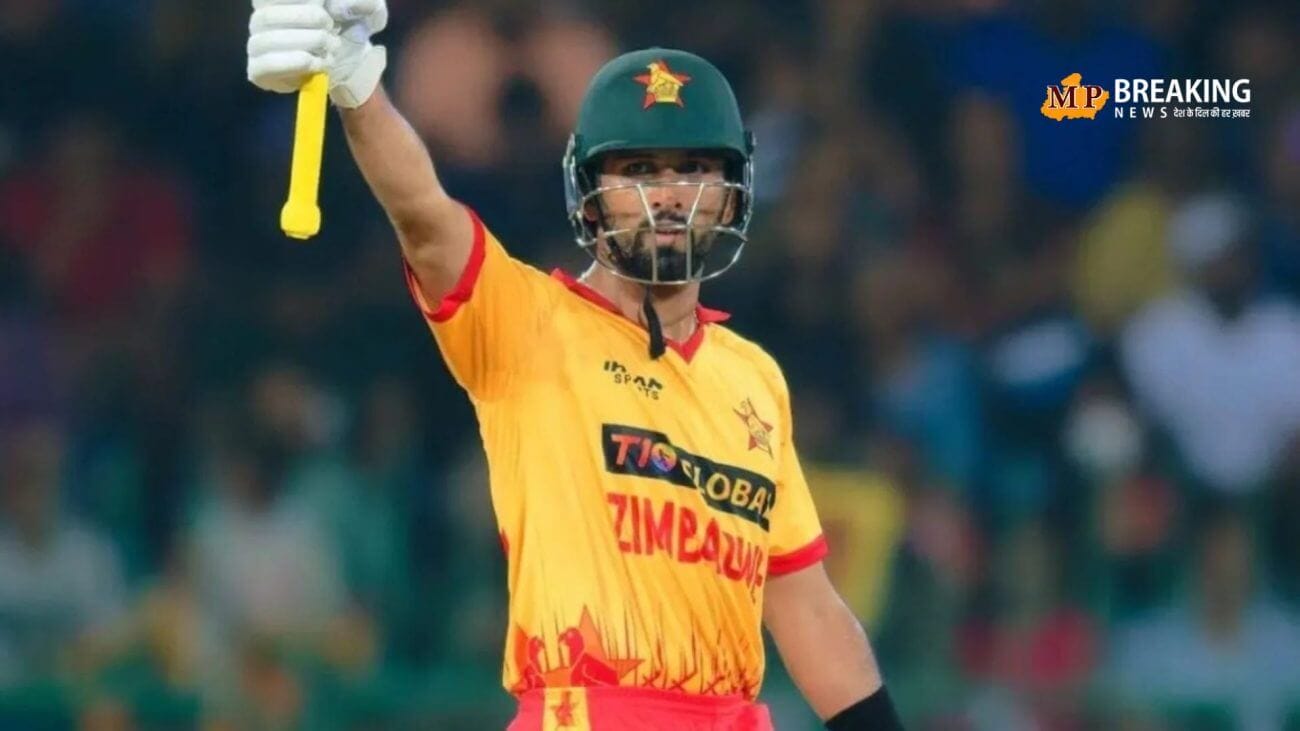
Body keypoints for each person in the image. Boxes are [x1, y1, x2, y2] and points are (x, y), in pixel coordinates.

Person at [245, 1, 903, 728]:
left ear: (729, 197)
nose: (667, 196)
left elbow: (805, 604)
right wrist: (358, 88)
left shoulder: (753, 377)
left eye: (693, 169)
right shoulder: (528, 323)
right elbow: (425, 219)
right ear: (589, 196)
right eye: (638, 169)